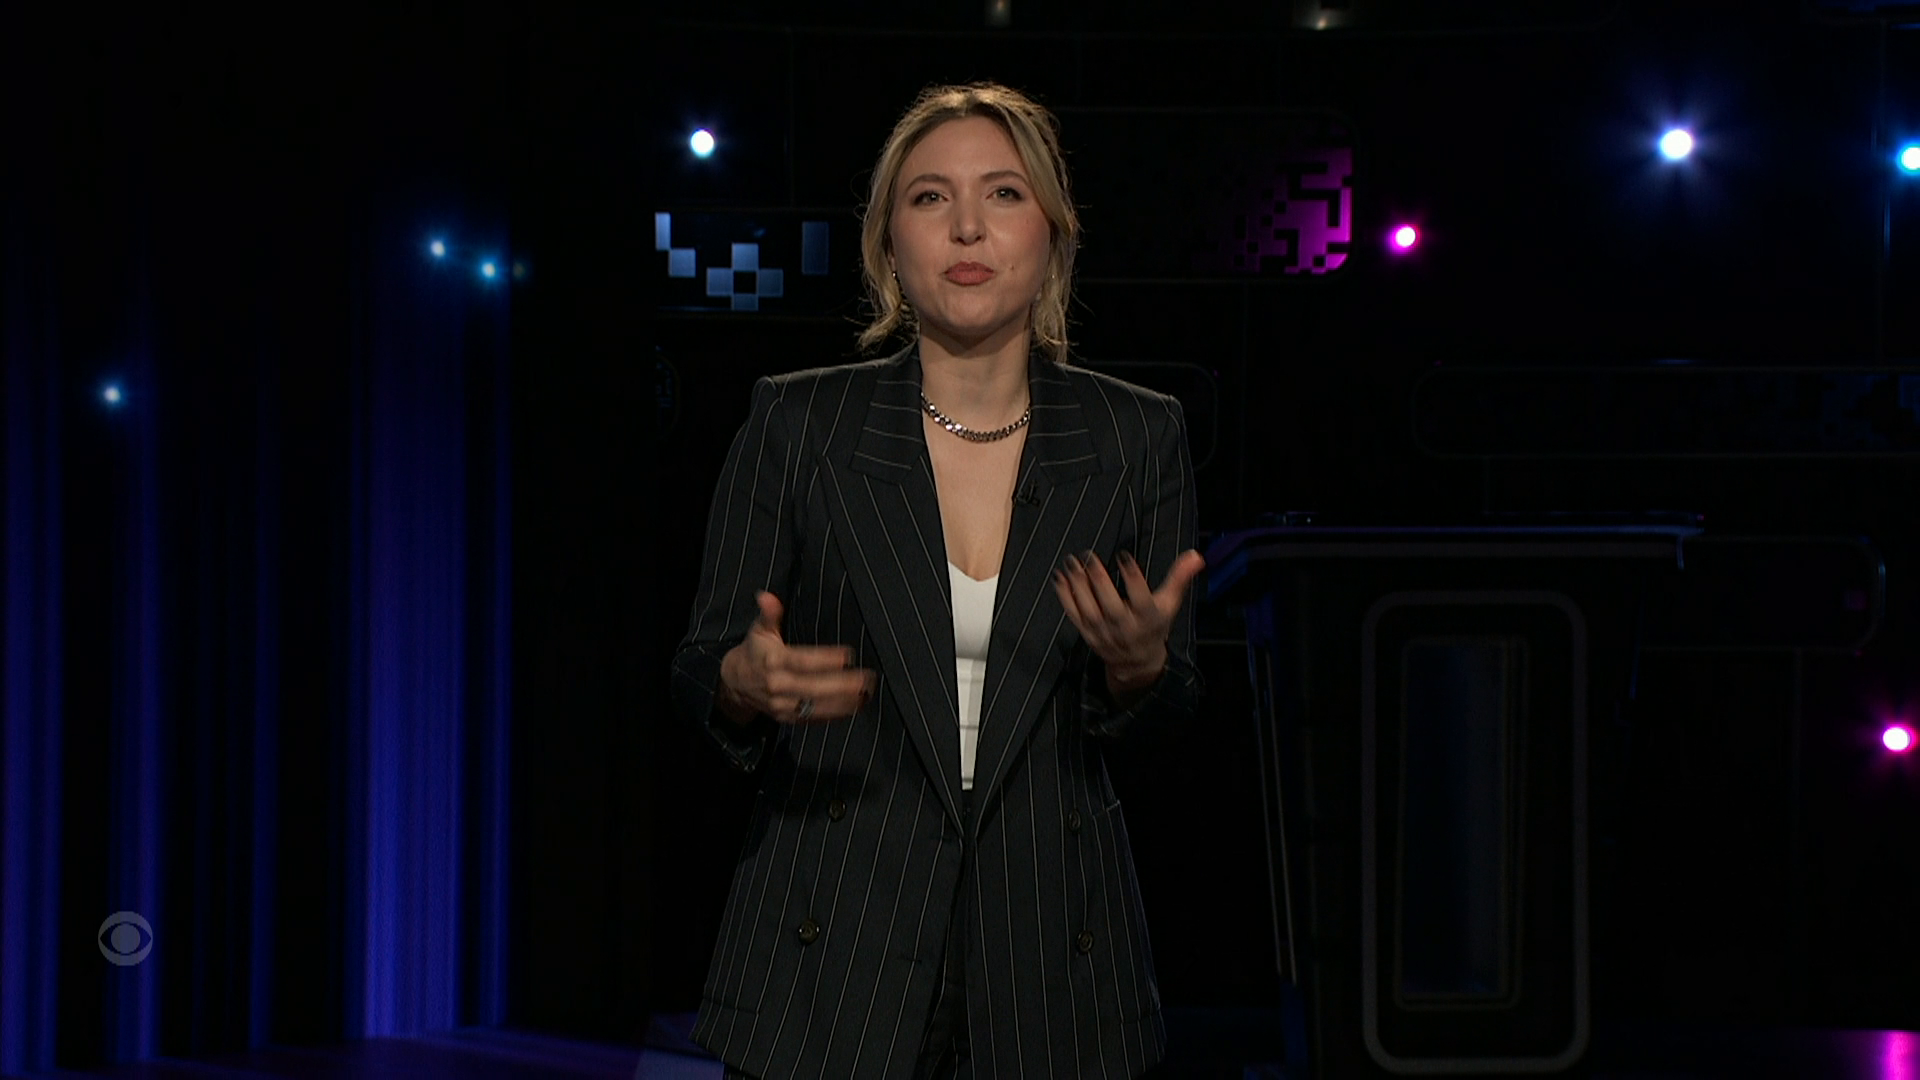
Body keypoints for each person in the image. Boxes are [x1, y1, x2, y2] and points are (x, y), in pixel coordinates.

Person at [671, 81, 1206, 1080]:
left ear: (1054, 232)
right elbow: (704, 662)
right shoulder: (799, 423)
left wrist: (1140, 670)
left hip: (1053, 959)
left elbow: (1174, 712)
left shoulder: (1136, 434)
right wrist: (743, 683)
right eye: (929, 197)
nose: (967, 226)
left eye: (1003, 193)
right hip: (831, 954)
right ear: (886, 244)